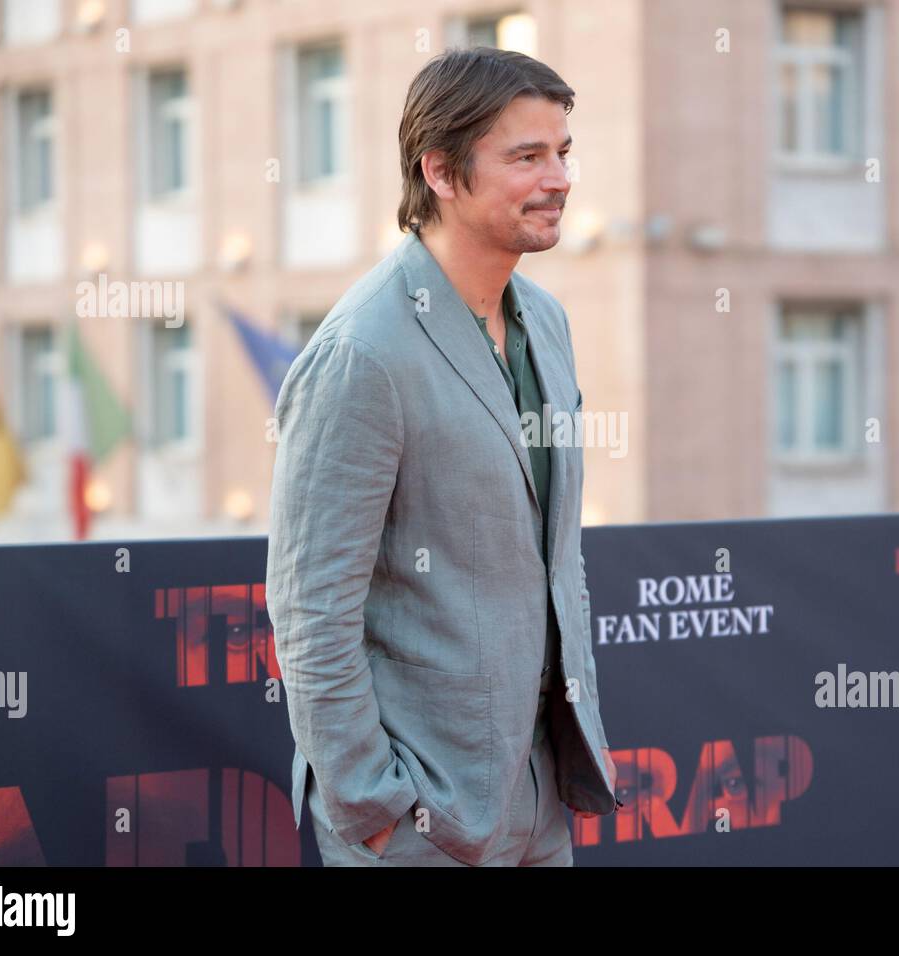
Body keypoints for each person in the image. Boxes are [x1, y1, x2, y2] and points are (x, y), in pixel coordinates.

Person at [265, 46, 619, 867]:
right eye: (527, 156)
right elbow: (311, 613)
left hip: (539, 796)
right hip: (420, 817)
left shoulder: (548, 323)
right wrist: (376, 808)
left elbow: (554, 553)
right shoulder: (362, 354)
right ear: (442, 173)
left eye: (563, 152)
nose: (559, 178)